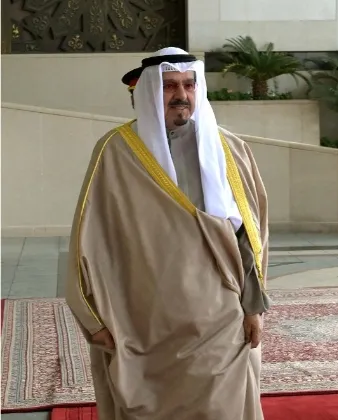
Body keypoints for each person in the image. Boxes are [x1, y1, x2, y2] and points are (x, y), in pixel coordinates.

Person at [65, 47, 270, 420]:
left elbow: (247, 236)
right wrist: (93, 318)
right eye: (170, 85)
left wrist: (253, 307)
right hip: (143, 317)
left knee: (222, 406)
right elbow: (91, 238)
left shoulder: (229, 149)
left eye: (189, 84)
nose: (181, 94)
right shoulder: (116, 152)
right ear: (149, 91)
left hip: (219, 311)